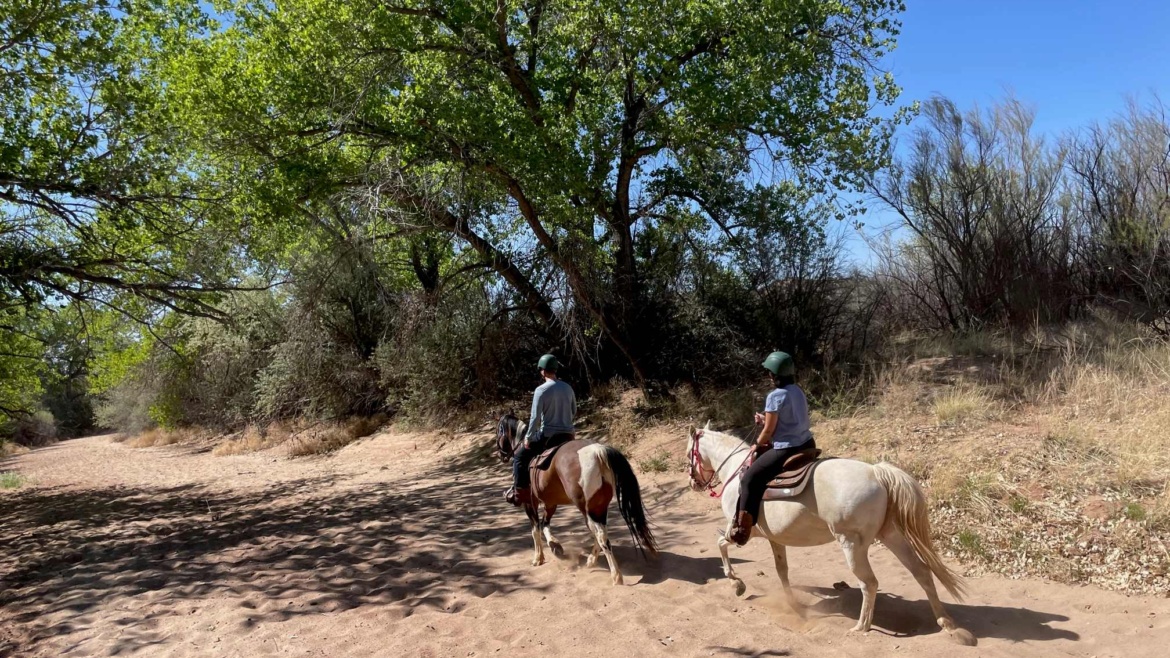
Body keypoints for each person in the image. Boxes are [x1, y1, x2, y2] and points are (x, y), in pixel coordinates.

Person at [728, 351, 816, 545]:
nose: (769, 375)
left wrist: (757, 444)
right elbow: (788, 419)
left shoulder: (774, 396)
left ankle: (742, 529)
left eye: (769, 372)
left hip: (788, 449)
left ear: (774, 374)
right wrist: (765, 419)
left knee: (750, 478)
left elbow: (768, 431)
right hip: (808, 444)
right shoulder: (798, 391)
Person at [505, 354, 577, 506]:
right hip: (569, 435)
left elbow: (535, 418)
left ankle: (519, 494)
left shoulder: (541, 390)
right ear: (555, 370)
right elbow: (574, 411)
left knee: (519, 458)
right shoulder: (568, 387)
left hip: (548, 436)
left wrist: (528, 437)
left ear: (543, 371)